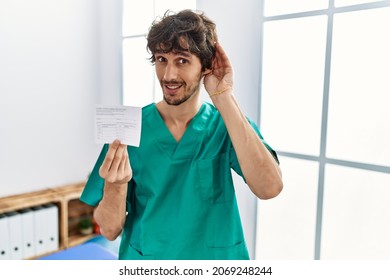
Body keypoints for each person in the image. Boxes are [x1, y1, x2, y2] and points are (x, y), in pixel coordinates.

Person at [80, 9, 283, 260]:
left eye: (182, 61)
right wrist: (116, 185)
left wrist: (223, 97)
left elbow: (269, 188)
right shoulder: (130, 129)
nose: (168, 75)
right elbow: (109, 230)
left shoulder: (226, 125)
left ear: (206, 65)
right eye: (162, 59)